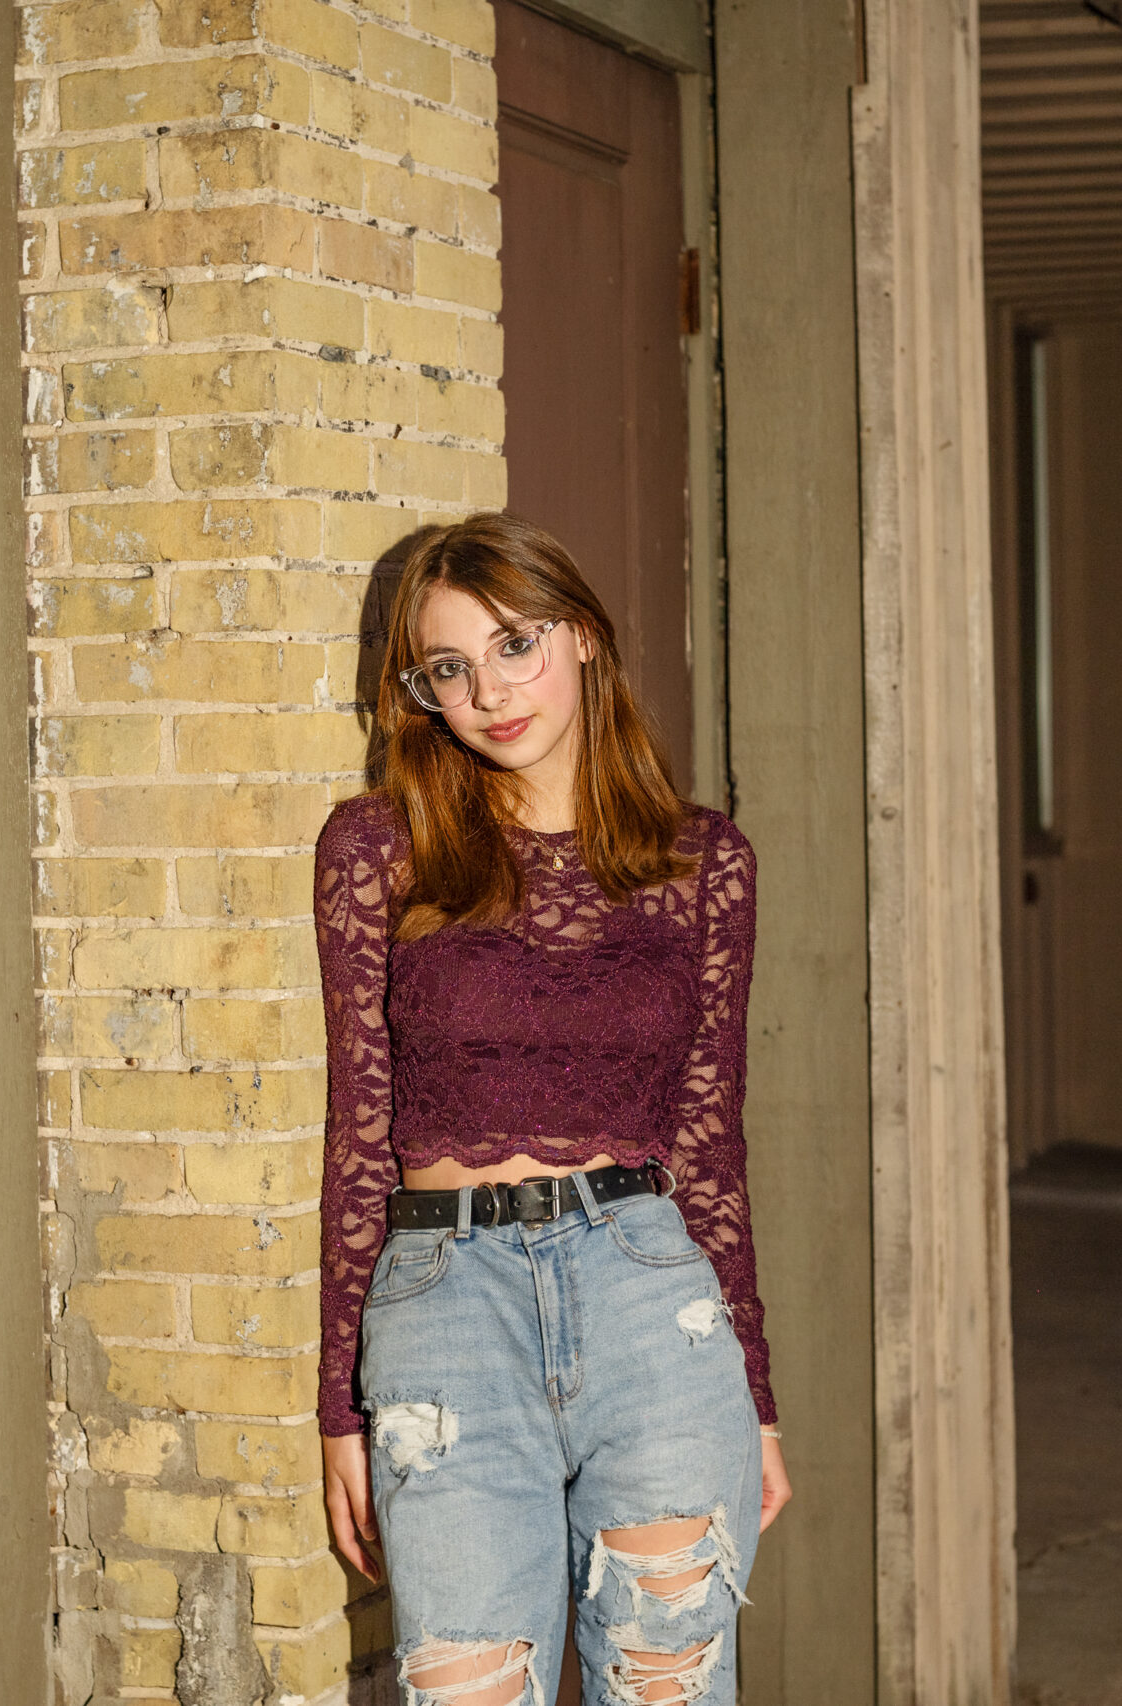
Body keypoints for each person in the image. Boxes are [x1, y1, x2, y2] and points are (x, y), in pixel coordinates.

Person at [316, 514, 788, 1706]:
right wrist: (341, 1406)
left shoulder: (702, 862)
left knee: (664, 1686)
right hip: (444, 1310)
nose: (489, 690)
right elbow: (358, 1134)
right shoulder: (380, 847)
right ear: (420, 691)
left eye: (515, 643)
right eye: (449, 667)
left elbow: (708, 1148)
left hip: (651, 1304)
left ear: (581, 638)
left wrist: (761, 1404)